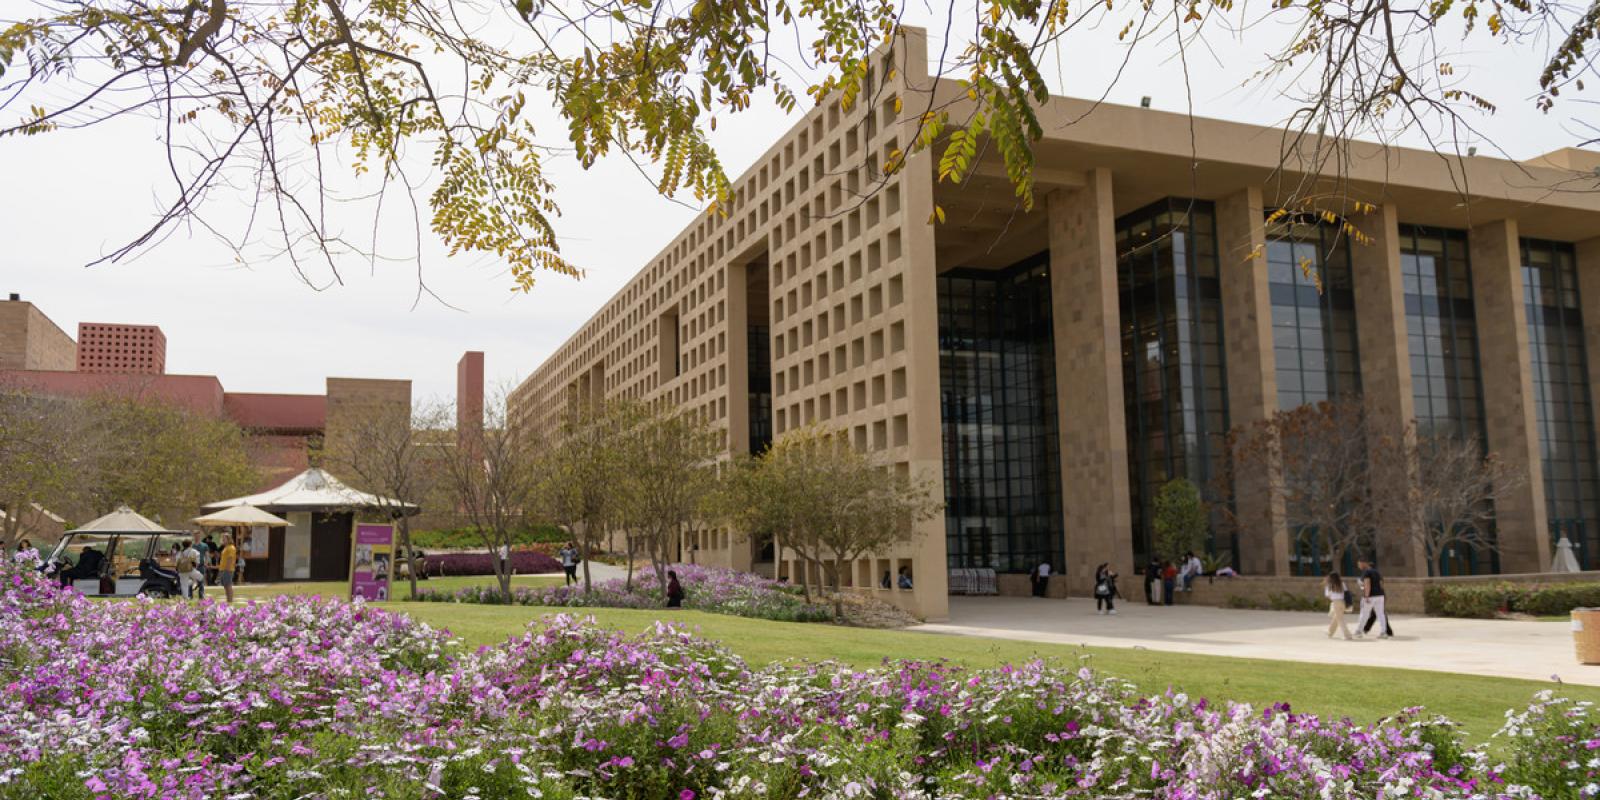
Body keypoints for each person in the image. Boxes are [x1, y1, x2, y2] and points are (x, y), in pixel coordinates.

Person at [1354, 559, 1390, 639]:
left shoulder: (1366, 572)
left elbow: (1367, 583)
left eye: (1359, 564)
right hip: (1380, 595)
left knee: (1364, 614)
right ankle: (1383, 632)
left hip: (1370, 596)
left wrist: (1366, 596)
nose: (1359, 566)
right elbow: (1381, 584)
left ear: (1363, 563)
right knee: (1381, 614)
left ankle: (1359, 631)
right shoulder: (1377, 572)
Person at [1323, 571, 1353, 640]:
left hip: (1336, 603)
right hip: (1343, 602)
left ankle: (1347, 635)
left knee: (1340, 619)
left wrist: (1333, 598)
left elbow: (1327, 595)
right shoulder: (1342, 583)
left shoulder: (1329, 585)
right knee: (1336, 618)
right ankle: (1330, 632)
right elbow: (1347, 593)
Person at [217, 534, 237, 603]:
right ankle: (228, 600)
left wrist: (227, 569)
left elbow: (230, 558)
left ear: (229, 539)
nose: (223, 540)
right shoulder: (226, 547)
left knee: (228, 585)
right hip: (223, 569)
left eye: (224, 538)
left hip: (227, 569)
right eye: (222, 538)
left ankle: (230, 600)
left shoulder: (231, 547)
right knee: (225, 585)